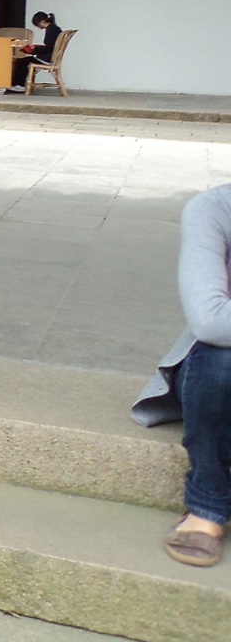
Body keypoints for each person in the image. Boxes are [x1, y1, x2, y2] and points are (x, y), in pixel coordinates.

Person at [133, 184, 231, 568]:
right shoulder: (213, 209)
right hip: (220, 362)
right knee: (219, 360)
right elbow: (210, 320)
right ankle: (207, 500)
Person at [9, 11, 61, 91]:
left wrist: (35, 49)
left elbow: (49, 48)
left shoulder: (51, 30)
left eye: (37, 24)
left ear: (42, 21)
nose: (38, 27)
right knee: (25, 60)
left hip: (47, 58)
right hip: (51, 56)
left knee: (22, 62)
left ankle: (19, 85)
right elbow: (50, 46)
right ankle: (18, 84)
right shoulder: (55, 28)